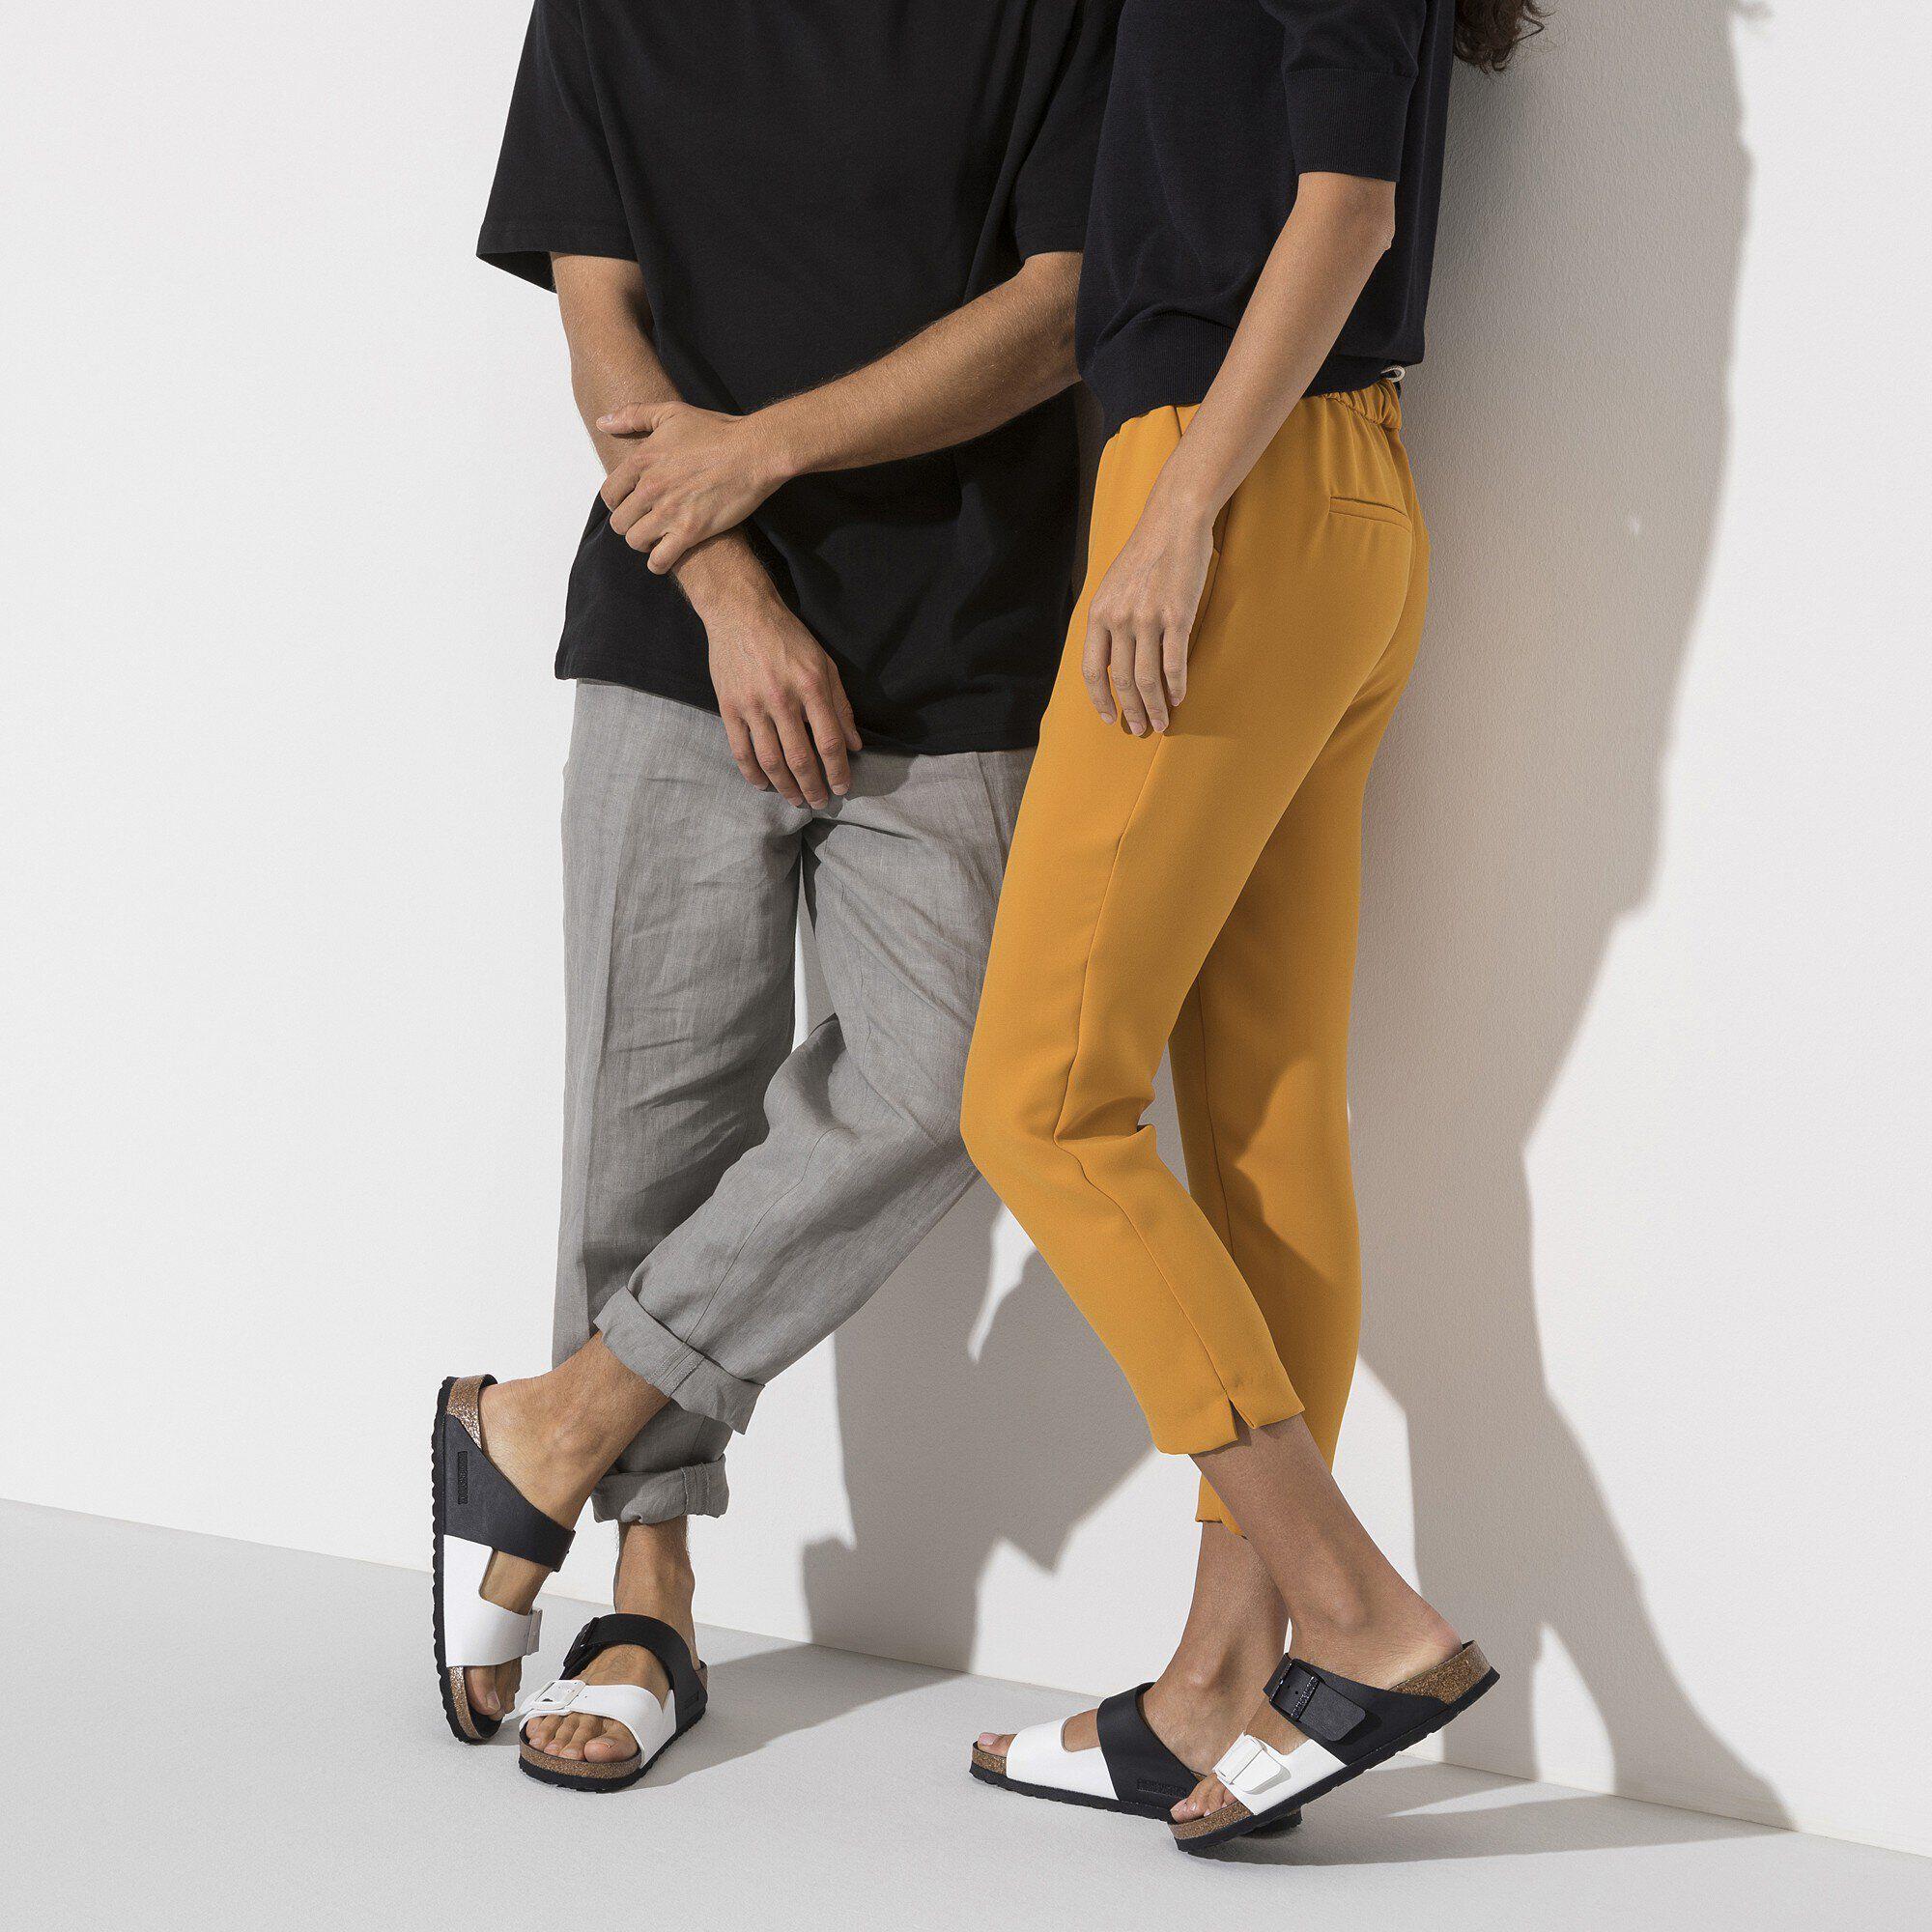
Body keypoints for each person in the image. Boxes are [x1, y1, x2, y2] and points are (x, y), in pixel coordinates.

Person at [431, 0, 1117, 1792]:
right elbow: (603, 322)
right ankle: (645, 1598)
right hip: (678, 623)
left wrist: (767, 446)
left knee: (969, 1076)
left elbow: (1062, 306)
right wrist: (732, 589)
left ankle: (555, 1421)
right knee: (648, 1112)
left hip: (965, 636)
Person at [960, 0, 1543, 1852]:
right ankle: (1219, 1679)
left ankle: (1354, 1614)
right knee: (1265, 1116)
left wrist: (1180, 509)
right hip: (1331, 493)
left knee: (1039, 1104)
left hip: (1231, 482)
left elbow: (1345, 205)